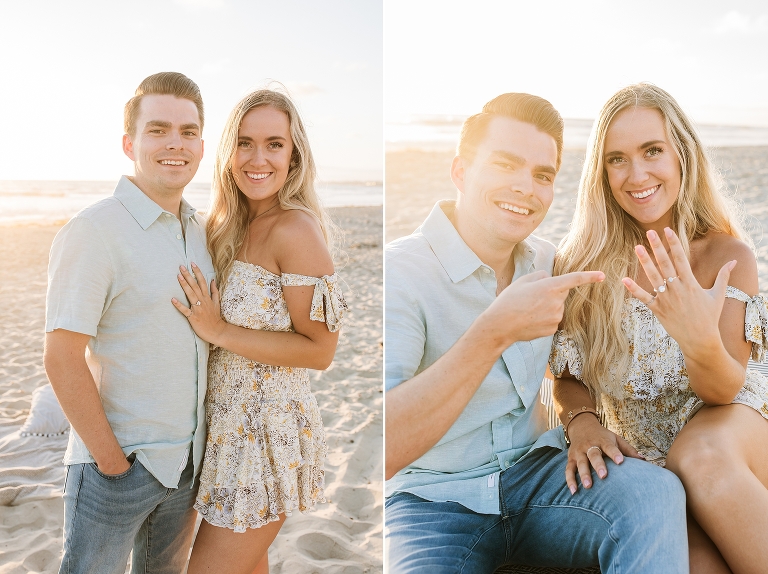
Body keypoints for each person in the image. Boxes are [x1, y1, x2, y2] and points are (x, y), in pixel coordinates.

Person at [385, 92, 689, 573]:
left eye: (542, 175)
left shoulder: (551, 264)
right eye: (505, 164)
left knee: (654, 493)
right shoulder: (400, 273)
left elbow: (574, 367)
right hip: (431, 502)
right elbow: (384, 451)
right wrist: (492, 333)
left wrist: (582, 419)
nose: (525, 187)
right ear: (461, 171)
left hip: (542, 478)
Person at [552, 83, 768, 573]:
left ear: (681, 157)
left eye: (653, 151)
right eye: (617, 159)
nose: (638, 174)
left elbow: (723, 388)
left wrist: (696, 335)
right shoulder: (584, 266)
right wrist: (582, 421)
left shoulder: (725, 257)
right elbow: (566, 376)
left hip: (731, 430)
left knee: (701, 458)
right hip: (649, 459)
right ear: (601, 173)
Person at [170, 89, 347, 574]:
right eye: (245, 143)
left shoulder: (295, 229)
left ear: (293, 156)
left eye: (274, 144)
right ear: (228, 153)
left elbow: (320, 350)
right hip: (222, 430)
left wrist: (220, 330)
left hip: (265, 437)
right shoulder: (225, 225)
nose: (258, 158)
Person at [44, 72, 214, 573]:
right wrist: (112, 464)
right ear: (129, 143)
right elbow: (61, 357)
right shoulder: (93, 231)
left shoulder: (203, 231)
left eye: (188, 131)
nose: (175, 144)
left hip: (186, 469)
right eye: (158, 129)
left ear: (202, 144)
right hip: (117, 469)